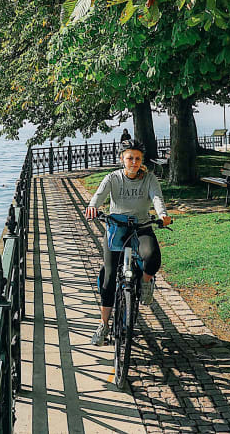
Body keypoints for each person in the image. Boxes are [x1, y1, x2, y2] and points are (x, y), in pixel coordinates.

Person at [84, 139, 172, 346]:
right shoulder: (112, 178)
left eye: (138, 158)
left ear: (142, 161)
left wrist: (163, 214)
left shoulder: (149, 179)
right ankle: (104, 324)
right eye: (129, 157)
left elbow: (157, 197)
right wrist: (92, 207)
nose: (133, 161)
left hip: (141, 226)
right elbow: (98, 197)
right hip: (116, 228)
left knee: (152, 258)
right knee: (108, 277)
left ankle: (146, 282)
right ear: (122, 159)